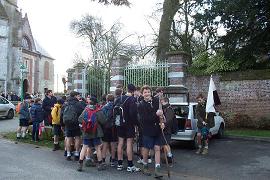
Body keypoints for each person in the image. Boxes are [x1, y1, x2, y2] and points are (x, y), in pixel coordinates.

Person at [138, 85, 164, 178]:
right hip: (147, 129)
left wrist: (162, 119)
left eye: (148, 92)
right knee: (146, 149)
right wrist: (156, 114)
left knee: (157, 148)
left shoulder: (157, 101)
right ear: (142, 94)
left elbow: (161, 112)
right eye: (145, 92)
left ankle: (157, 170)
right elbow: (144, 119)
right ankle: (145, 166)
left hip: (157, 129)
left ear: (151, 93)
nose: (147, 94)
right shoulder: (140, 105)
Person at [114, 84, 140, 172]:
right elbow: (133, 114)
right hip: (129, 125)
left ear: (127, 89)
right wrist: (136, 124)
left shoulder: (119, 98)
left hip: (119, 124)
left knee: (120, 143)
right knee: (129, 144)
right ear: (134, 91)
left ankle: (120, 164)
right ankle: (130, 165)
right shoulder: (132, 100)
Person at [77, 97, 107, 171]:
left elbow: (80, 119)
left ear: (90, 103)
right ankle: (100, 164)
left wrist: (86, 122)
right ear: (96, 103)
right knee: (97, 148)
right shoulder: (98, 111)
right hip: (95, 132)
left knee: (84, 147)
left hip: (86, 132)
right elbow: (103, 121)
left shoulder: (86, 110)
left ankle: (80, 164)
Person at [62, 91, 85, 161]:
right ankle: (77, 153)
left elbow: (61, 115)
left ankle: (68, 154)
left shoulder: (65, 104)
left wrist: (62, 124)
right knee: (77, 137)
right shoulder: (79, 104)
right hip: (76, 123)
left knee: (68, 138)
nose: (79, 97)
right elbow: (82, 114)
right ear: (75, 96)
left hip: (68, 123)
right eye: (78, 95)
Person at [101, 94, 118, 167]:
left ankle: (103, 160)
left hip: (105, 128)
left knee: (105, 144)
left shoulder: (104, 107)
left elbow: (102, 118)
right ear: (114, 99)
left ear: (107, 100)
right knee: (113, 144)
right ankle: (113, 160)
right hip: (114, 128)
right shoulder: (116, 107)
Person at [160, 97, 176, 166]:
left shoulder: (169, 109)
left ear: (165, 101)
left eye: (162, 102)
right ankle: (167, 156)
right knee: (164, 143)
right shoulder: (164, 109)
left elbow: (169, 120)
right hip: (164, 129)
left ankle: (170, 157)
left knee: (166, 143)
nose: (161, 103)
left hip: (167, 129)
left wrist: (164, 124)